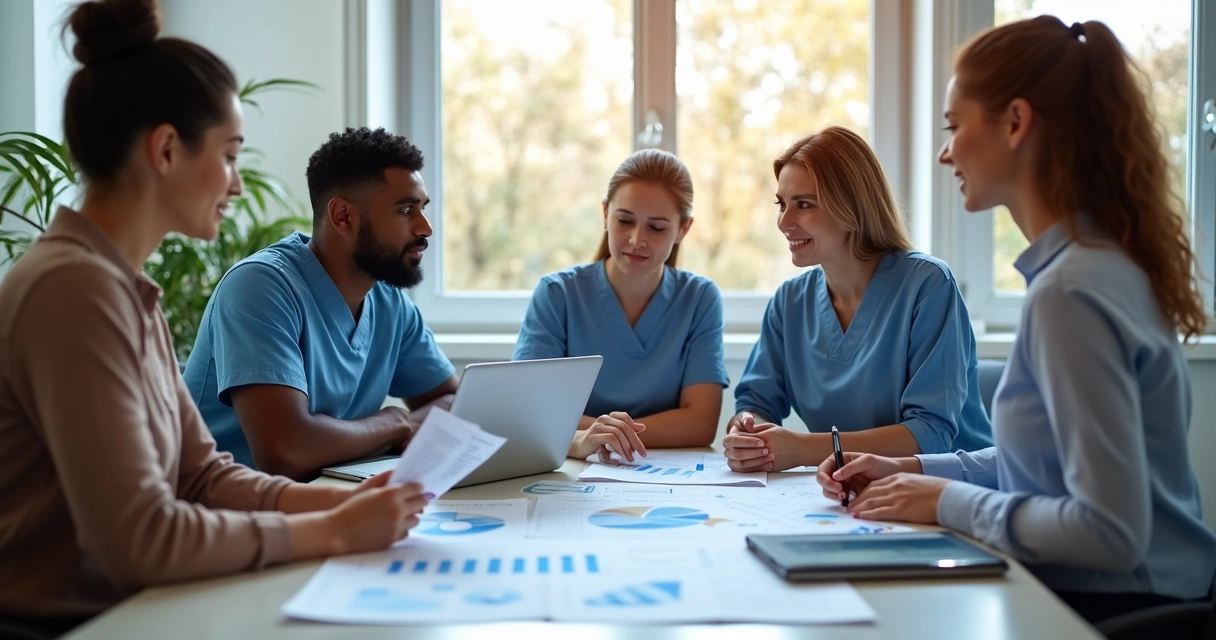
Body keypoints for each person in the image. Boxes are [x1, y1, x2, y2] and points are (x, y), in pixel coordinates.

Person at [0, 0, 427, 633]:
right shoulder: (73, 290)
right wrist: (330, 529)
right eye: (228, 155)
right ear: (167, 150)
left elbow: (200, 475)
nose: (235, 183)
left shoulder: (120, 286)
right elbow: (139, 539)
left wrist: (335, 501)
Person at [817, 16, 1216, 625]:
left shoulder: (1072, 292)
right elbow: (1043, 469)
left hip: (1121, 609)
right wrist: (914, 469)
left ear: (1015, 123)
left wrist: (947, 500)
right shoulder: (1094, 267)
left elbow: (1109, 531)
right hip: (1136, 592)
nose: (945, 151)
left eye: (954, 126)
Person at [183, 127, 459, 480]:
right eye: (406, 211)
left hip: (326, 503)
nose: (425, 228)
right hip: (225, 517)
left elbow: (453, 403)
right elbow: (287, 452)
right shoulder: (260, 286)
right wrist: (394, 423)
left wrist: (390, 427)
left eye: (422, 208)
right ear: (343, 216)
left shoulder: (389, 301)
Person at [723, 126, 992, 473]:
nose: (784, 222)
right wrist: (747, 430)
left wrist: (804, 449)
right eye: (782, 204)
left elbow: (930, 434)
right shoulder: (790, 302)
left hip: (954, 493)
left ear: (851, 206)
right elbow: (755, 401)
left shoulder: (928, 287)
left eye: (803, 205)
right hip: (852, 489)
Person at [514, 149, 728, 461]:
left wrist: (603, 434)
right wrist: (591, 438)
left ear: (683, 229)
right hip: (575, 465)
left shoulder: (699, 298)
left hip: (666, 472)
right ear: (604, 213)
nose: (636, 239)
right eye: (625, 220)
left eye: (656, 227)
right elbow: (530, 409)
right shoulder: (557, 294)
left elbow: (701, 423)